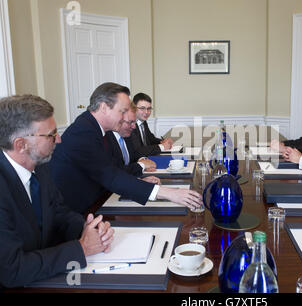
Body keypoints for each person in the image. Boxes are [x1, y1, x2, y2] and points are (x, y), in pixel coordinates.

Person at [0, 95, 114, 288]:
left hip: (44, 277)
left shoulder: (40, 166)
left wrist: (89, 229)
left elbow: (59, 214)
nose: (59, 139)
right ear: (21, 144)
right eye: (51, 135)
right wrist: (81, 249)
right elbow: (12, 269)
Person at [50, 82, 202, 214]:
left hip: (94, 203)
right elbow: (110, 176)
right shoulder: (84, 132)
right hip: (75, 213)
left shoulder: (92, 127)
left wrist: (139, 182)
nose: (124, 118)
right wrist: (170, 194)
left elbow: (111, 170)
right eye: (122, 112)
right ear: (104, 107)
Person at [104, 103, 157, 176]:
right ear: (118, 120)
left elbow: (134, 155)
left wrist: (142, 160)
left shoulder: (127, 135)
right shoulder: (106, 139)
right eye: (130, 122)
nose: (134, 126)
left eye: (134, 122)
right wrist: (142, 165)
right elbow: (114, 172)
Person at [130, 92, 174, 157]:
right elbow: (139, 150)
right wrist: (161, 147)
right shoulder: (130, 125)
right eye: (142, 108)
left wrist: (162, 141)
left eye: (149, 108)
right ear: (134, 108)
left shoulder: (143, 122)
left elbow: (151, 139)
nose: (146, 112)